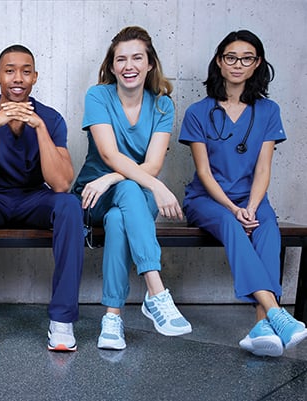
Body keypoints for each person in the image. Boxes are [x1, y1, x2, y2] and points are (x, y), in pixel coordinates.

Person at [180, 30, 307, 357]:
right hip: (207, 201)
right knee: (233, 225)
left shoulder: (268, 111)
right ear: (219, 62)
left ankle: (261, 326)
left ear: (257, 64)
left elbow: (263, 169)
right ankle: (277, 313)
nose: (238, 64)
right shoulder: (198, 112)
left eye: (247, 58)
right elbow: (205, 173)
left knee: (268, 231)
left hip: (252, 198)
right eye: (231, 57)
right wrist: (234, 210)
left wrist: (250, 206)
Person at [0, 44, 84, 351]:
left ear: (35, 77)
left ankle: (63, 321)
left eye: (26, 71)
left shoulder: (51, 119)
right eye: (10, 70)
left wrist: (38, 127)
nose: (18, 78)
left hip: (34, 200)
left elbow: (62, 183)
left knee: (69, 205)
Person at [72, 26, 192, 351]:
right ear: (112, 66)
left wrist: (114, 177)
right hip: (92, 195)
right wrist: (157, 188)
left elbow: (152, 165)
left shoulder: (163, 105)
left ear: (150, 63)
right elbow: (110, 154)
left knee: (118, 217)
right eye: (121, 59)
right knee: (122, 197)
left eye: (137, 57)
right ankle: (156, 292)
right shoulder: (98, 96)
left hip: (132, 193)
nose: (129, 65)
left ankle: (112, 318)